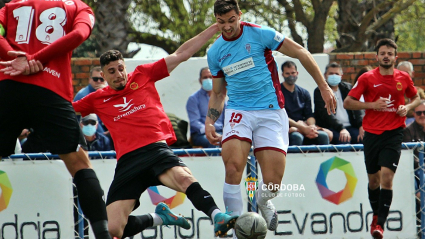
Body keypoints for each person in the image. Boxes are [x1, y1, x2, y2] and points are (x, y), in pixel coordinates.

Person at [73, 24, 239, 238]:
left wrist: (215, 28)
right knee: (112, 229)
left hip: (156, 151)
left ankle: (217, 216)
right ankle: (160, 217)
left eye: (121, 68)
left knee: (185, 179)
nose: (118, 74)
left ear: (126, 67)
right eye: (111, 71)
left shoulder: (142, 75)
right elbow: (63, 109)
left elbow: (182, 54)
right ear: (104, 75)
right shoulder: (96, 98)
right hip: (128, 162)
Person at [205, 0, 336, 234]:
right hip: (238, 111)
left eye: (231, 20)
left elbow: (300, 52)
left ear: (239, 15)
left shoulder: (260, 34)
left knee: (273, 183)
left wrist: (324, 86)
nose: (227, 27)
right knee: (233, 166)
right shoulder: (215, 51)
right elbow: (217, 92)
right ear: (216, 20)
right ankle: (236, 229)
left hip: (271, 111)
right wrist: (209, 121)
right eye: (221, 22)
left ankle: (264, 202)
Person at [0, 1, 112, 238]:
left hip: (8, 86)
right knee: (79, 164)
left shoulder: (10, 7)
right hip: (51, 91)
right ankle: (102, 235)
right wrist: (37, 59)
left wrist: (19, 59)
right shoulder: (78, 7)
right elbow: (80, 33)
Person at [343, 38, 420, 239]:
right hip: (371, 134)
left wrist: (408, 108)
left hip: (394, 133)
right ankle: (376, 215)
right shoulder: (367, 78)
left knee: (387, 178)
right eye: (382, 53)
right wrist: (372, 105)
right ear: (377, 57)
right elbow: (347, 102)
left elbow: (417, 98)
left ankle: (380, 226)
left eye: (390, 53)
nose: (386, 56)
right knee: (373, 181)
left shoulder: (403, 77)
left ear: (396, 57)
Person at [280, 61, 330, 146]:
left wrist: (311, 127)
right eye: (287, 74)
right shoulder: (278, 93)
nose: (291, 76)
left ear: (297, 73)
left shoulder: (304, 93)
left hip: (304, 127)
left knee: (323, 136)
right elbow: (282, 116)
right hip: (287, 129)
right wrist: (300, 128)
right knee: (297, 137)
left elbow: (309, 115)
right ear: (283, 75)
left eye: (293, 73)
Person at [314, 62, 365, 144]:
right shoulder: (320, 91)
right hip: (333, 128)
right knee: (344, 141)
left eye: (337, 74)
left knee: (364, 138)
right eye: (331, 73)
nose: (334, 76)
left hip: (350, 126)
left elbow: (357, 108)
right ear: (325, 75)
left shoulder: (348, 88)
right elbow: (326, 114)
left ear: (341, 76)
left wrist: (361, 126)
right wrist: (341, 128)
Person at [186, 67, 226, 148]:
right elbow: (194, 122)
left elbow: (227, 119)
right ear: (200, 80)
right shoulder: (193, 99)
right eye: (205, 77)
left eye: (211, 77)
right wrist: (210, 131)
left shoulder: (222, 98)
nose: (208, 79)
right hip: (201, 134)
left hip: (222, 132)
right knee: (213, 143)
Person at [402, 100, 425, 232]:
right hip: (416, 171)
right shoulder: (408, 131)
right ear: (414, 114)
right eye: (419, 113)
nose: (422, 115)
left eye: (424, 113)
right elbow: (409, 157)